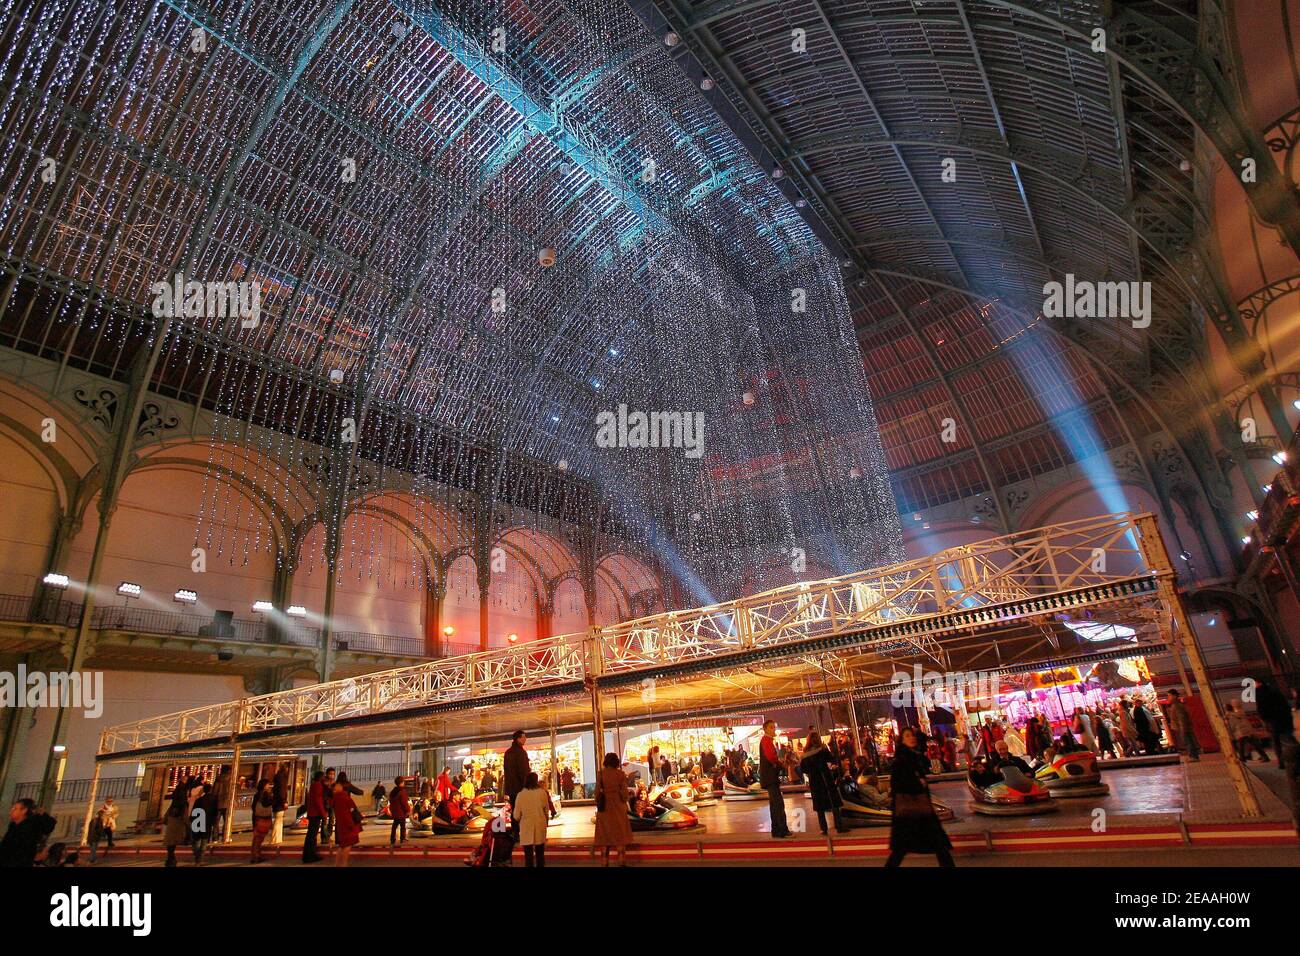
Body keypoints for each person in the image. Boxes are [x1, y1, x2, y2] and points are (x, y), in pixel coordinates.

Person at [887, 727, 954, 867]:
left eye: (913, 735)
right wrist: (918, 783)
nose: (912, 738)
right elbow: (897, 784)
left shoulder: (914, 756)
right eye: (907, 736)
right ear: (902, 740)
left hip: (919, 809)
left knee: (938, 845)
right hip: (911, 811)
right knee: (902, 849)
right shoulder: (901, 760)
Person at [799, 731, 846, 834]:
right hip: (825, 778)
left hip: (815, 781)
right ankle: (839, 826)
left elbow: (803, 769)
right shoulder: (822, 750)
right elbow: (832, 759)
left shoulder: (805, 754)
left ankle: (823, 828)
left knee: (820, 805)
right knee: (833, 802)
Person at [593, 752, 632, 865]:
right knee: (620, 838)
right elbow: (624, 794)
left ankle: (604, 863)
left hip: (604, 809)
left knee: (604, 838)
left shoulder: (601, 774)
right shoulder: (620, 774)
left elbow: (596, 793)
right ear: (616, 762)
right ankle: (621, 862)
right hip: (618, 808)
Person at [757, 719, 791, 838]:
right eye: (771, 727)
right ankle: (782, 830)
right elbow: (771, 757)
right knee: (778, 804)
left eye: (774, 727)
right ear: (765, 729)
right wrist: (779, 764)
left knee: (774, 804)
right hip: (770, 776)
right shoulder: (766, 740)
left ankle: (776, 830)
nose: (773, 730)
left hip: (768, 777)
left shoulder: (767, 741)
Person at [0, 799, 54, 867]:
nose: (11, 810)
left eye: (15, 808)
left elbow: (22, 851)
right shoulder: (13, 826)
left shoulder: (29, 828)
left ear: (24, 810)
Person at [513, 772, 550, 867]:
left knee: (528, 857)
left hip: (526, 827)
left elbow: (516, 815)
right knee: (540, 855)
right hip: (540, 825)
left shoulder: (520, 795)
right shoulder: (542, 793)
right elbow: (546, 810)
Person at [1256, 681, 1296, 769]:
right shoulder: (1275, 691)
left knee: (1277, 742)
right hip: (1284, 719)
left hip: (1272, 721)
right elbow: (1285, 705)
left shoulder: (1260, 693)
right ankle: (1294, 758)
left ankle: (1282, 762)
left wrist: (1265, 719)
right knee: (1288, 739)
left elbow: (1261, 710)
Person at [330, 777, 362, 867]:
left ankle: (337, 864)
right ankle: (343, 864)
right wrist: (352, 823)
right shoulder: (343, 797)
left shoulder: (336, 798)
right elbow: (350, 810)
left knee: (342, 846)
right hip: (348, 825)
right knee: (347, 846)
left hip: (341, 825)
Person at [1163, 689, 1199, 761]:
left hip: (1183, 727)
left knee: (1188, 741)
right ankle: (1193, 756)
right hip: (1181, 727)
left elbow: (1181, 718)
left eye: (1169, 696)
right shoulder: (1175, 705)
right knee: (1188, 741)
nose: (1168, 698)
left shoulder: (1177, 705)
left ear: (1174, 696)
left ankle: (1193, 756)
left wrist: (1183, 728)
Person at [503, 730, 531, 816]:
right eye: (524, 737)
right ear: (518, 739)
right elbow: (523, 771)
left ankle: (515, 828)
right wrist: (526, 785)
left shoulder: (508, 752)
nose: (525, 739)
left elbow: (506, 770)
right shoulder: (521, 753)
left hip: (511, 788)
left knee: (515, 809)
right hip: (520, 787)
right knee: (522, 810)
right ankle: (520, 828)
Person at [162, 783, 188, 867]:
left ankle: (170, 858)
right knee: (173, 842)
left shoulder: (173, 804)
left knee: (170, 843)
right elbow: (186, 818)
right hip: (178, 824)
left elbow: (166, 817)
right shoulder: (183, 804)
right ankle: (171, 859)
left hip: (171, 824)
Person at [191, 783, 218, 865]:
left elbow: (194, 811)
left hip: (198, 821)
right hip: (207, 822)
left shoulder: (199, 800)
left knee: (197, 840)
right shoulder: (214, 800)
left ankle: (197, 856)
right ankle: (199, 858)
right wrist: (214, 822)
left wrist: (192, 820)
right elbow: (215, 812)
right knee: (204, 841)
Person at [303, 770, 326, 863]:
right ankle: (310, 855)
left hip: (313, 813)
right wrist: (323, 812)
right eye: (323, 776)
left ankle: (310, 854)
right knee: (312, 835)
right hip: (315, 813)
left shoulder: (314, 785)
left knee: (311, 835)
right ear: (320, 777)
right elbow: (318, 800)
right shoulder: (318, 785)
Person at [249, 778, 274, 863]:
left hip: (256, 817)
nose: (269, 786)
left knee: (256, 837)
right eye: (267, 784)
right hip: (262, 817)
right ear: (264, 785)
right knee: (259, 838)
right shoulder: (265, 794)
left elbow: (253, 806)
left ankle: (255, 855)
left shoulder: (257, 794)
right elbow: (266, 803)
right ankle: (256, 856)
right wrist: (272, 800)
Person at [88, 796, 118, 863]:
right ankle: (92, 859)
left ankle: (93, 859)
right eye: (108, 801)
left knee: (109, 833)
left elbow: (116, 814)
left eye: (111, 801)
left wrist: (112, 817)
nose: (110, 802)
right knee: (93, 847)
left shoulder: (114, 807)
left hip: (107, 824)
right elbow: (93, 828)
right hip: (96, 833)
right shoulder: (101, 810)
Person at [270, 766, 288, 845]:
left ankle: (277, 838)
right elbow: (282, 791)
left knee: (277, 820)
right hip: (280, 803)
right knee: (278, 821)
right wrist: (284, 801)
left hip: (276, 802)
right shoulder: (282, 779)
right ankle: (276, 839)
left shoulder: (276, 778)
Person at [389, 776, 410, 845]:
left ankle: (392, 839)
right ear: (401, 783)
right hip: (401, 812)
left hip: (395, 811)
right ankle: (402, 838)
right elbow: (404, 802)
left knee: (394, 825)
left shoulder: (393, 792)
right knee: (403, 826)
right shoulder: (402, 791)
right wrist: (407, 810)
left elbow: (391, 802)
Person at [321, 766, 337, 845]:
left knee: (331, 821)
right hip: (325, 803)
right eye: (330, 774)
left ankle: (328, 836)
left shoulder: (334, 783)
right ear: (327, 774)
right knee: (324, 821)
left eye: (333, 774)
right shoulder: (324, 782)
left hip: (332, 804)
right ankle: (324, 837)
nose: (331, 775)